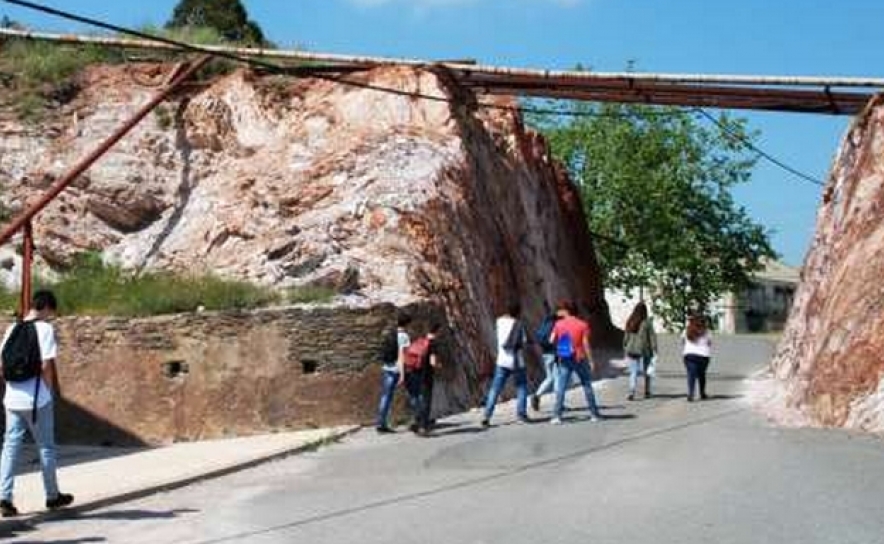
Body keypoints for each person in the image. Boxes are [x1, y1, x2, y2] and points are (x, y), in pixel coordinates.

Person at [0, 290, 74, 517]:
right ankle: (52, 496)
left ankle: (4, 497)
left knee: (10, 447)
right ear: (47, 308)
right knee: (45, 447)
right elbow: (46, 366)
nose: (51, 316)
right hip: (37, 399)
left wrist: (9, 390)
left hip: (12, 398)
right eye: (52, 311)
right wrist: (49, 392)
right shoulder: (45, 329)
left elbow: (2, 366)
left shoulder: (13, 328)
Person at [550, 299, 601, 425]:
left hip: (565, 357)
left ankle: (557, 416)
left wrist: (561, 344)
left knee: (561, 387)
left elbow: (551, 340)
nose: (558, 311)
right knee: (586, 385)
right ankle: (594, 414)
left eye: (560, 309)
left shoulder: (558, 324)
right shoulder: (582, 324)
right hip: (579, 357)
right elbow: (585, 343)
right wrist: (591, 360)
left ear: (566, 310)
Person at [481, 301, 530, 427]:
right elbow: (524, 342)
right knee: (522, 387)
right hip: (517, 361)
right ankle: (521, 414)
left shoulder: (499, 321)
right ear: (518, 312)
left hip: (502, 361)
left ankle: (486, 416)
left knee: (495, 389)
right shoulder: (519, 324)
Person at [376, 313, 412, 433]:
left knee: (385, 396)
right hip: (398, 369)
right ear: (407, 324)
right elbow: (402, 356)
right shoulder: (404, 337)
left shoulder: (391, 333)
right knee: (414, 393)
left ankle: (381, 423)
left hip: (387, 367)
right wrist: (402, 373)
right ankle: (419, 419)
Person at [623, 301, 658, 400]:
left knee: (633, 372)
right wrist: (655, 348)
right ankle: (647, 391)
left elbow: (626, 336)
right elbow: (652, 336)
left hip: (631, 349)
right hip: (644, 349)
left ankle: (632, 392)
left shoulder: (630, 320)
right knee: (647, 371)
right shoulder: (647, 322)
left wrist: (625, 346)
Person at [530, 307, 560, 412]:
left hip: (545, 354)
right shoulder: (555, 325)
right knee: (557, 378)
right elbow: (554, 340)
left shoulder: (544, 324)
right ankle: (559, 402)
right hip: (554, 354)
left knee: (549, 378)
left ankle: (537, 395)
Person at [683, 314, 712, 402]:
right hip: (703, 356)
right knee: (702, 375)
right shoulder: (707, 331)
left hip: (689, 355)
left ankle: (691, 394)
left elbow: (683, 341)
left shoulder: (687, 330)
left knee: (691, 374)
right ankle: (702, 393)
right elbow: (709, 343)